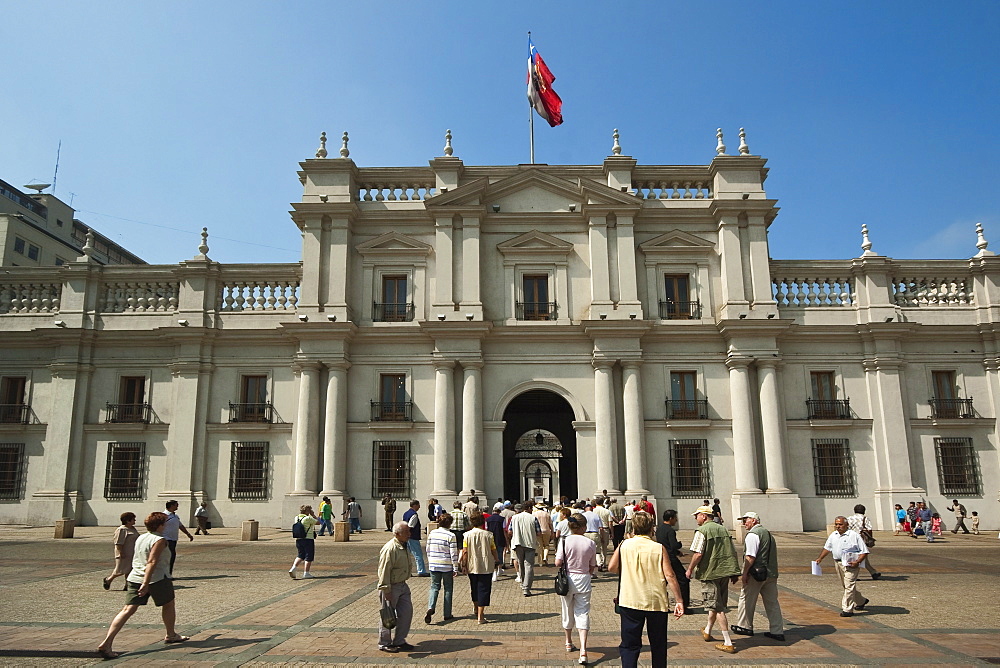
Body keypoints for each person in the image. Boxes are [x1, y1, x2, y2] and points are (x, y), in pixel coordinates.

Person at [96, 511, 190, 659]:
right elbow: (152, 561)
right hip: (156, 579)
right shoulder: (160, 540)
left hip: (134, 577)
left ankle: (107, 642)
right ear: (160, 525)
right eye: (164, 523)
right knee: (169, 604)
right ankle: (171, 634)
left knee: (127, 610)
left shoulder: (141, 537)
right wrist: (146, 583)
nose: (165, 525)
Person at [609, 510, 683, 668]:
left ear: (633, 527)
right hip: (655, 601)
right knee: (658, 644)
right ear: (651, 528)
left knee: (630, 645)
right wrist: (679, 600)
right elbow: (670, 576)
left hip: (630, 600)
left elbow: (612, 567)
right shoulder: (658, 547)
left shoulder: (624, 545)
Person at [686, 505, 741, 654]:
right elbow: (732, 551)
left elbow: (698, 554)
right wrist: (734, 571)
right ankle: (708, 631)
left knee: (718, 608)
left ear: (704, 516)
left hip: (710, 573)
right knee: (716, 603)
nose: (695, 518)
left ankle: (727, 641)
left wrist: (690, 568)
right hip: (724, 572)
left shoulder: (702, 530)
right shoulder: (723, 529)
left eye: (696, 515)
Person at [730, 512, 784, 641]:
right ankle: (777, 631)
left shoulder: (753, 534)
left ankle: (745, 626)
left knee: (746, 599)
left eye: (746, 520)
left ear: (754, 520)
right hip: (770, 573)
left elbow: (750, 556)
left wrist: (744, 573)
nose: (744, 523)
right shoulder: (768, 534)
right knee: (772, 603)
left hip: (756, 574)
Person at [556, 512, 598, 664]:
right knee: (582, 612)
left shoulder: (564, 541)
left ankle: (568, 641)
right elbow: (593, 565)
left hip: (568, 579)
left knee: (567, 609)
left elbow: (557, 562)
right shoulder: (590, 543)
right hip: (584, 579)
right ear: (583, 527)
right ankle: (583, 650)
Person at [815, 516, 869, 616]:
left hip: (851, 565)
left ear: (846, 525)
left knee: (849, 585)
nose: (838, 526)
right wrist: (820, 558)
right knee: (846, 586)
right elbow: (827, 548)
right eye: (836, 524)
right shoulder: (833, 535)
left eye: (840, 524)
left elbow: (864, 551)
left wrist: (858, 561)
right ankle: (861, 601)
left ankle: (847, 609)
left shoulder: (853, 535)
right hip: (838, 563)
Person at [377, 522, 416, 653]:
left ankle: (399, 640)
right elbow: (384, 570)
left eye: (409, 532)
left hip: (402, 585)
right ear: (397, 534)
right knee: (388, 616)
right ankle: (385, 642)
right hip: (391, 586)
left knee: (406, 613)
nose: (409, 535)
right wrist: (385, 589)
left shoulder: (404, 545)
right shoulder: (390, 548)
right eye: (406, 532)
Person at [460, 512, 499, 624]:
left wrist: (463, 564)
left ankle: (476, 608)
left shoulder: (466, 535)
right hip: (486, 565)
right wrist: (497, 560)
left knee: (474, 588)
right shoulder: (489, 535)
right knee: (484, 589)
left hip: (472, 565)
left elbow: (465, 551)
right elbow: (493, 549)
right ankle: (480, 616)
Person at [425, 513, 459, 624]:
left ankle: (431, 606)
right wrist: (455, 567)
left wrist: (430, 561)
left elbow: (428, 549)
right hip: (446, 565)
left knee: (434, 587)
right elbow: (453, 553)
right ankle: (447, 614)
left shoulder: (432, 533)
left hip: (434, 563)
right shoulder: (451, 535)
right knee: (448, 589)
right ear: (450, 524)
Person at [655, 509, 690, 610]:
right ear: (671, 518)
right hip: (670, 558)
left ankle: (661, 604)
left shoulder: (659, 529)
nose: (676, 520)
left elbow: (665, 544)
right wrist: (680, 545)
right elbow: (673, 545)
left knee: (663, 581)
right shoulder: (670, 530)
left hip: (662, 556)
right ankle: (684, 604)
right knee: (683, 579)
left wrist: (678, 552)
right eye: (675, 518)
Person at [508, 502, 541, 596]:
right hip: (530, 543)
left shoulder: (514, 518)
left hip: (518, 543)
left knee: (520, 564)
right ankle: (526, 587)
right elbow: (538, 532)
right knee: (529, 566)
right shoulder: (533, 518)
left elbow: (510, 531)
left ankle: (523, 583)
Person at [104, 512, 139, 591]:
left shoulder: (132, 528)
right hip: (124, 552)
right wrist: (120, 552)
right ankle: (108, 579)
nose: (135, 521)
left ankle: (128, 585)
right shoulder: (121, 529)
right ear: (127, 520)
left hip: (132, 552)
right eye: (133, 519)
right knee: (120, 570)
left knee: (130, 570)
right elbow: (118, 542)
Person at [846, 504, 881, 579]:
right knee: (861, 556)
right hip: (861, 540)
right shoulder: (865, 518)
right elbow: (869, 529)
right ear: (864, 511)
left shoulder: (850, 518)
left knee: (859, 557)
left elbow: (846, 529)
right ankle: (857, 574)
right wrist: (870, 538)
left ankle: (873, 572)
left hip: (851, 539)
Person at [162, 500, 193, 578]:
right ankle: (165, 574)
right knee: (168, 556)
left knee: (172, 557)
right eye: (176, 505)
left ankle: (169, 573)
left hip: (173, 539)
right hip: (166, 539)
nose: (177, 507)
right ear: (171, 506)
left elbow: (180, 526)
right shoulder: (164, 516)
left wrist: (188, 534)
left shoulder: (175, 516)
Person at [288, 505, 318, 579]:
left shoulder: (297, 518)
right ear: (307, 511)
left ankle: (293, 568)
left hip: (299, 539)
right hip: (308, 539)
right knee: (309, 556)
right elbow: (319, 522)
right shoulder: (308, 518)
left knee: (301, 555)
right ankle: (306, 573)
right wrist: (313, 515)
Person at [402, 499, 429, 576]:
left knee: (407, 554)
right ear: (415, 505)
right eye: (418, 505)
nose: (419, 507)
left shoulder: (406, 513)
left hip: (407, 537)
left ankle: (407, 571)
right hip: (413, 537)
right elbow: (410, 526)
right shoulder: (414, 514)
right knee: (418, 555)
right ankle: (421, 571)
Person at [485, 508, 507, 581]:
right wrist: (506, 540)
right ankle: (499, 569)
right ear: (499, 512)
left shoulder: (488, 519)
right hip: (500, 538)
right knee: (499, 554)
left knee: (492, 555)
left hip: (491, 539)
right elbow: (504, 530)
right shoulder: (502, 519)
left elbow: (486, 529)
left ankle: (494, 572)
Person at [594, 498, 613, 571]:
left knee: (597, 547)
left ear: (596, 503)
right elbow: (610, 522)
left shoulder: (593, 511)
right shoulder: (607, 511)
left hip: (596, 530)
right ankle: (604, 562)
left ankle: (599, 562)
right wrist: (612, 532)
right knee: (604, 547)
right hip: (605, 529)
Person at [533, 501, 554, 566]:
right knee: (546, 545)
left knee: (540, 546)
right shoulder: (547, 514)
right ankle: (545, 557)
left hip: (538, 531)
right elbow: (550, 524)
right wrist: (552, 532)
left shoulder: (534, 514)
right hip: (546, 530)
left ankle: (540, 562)